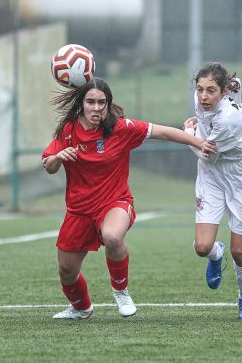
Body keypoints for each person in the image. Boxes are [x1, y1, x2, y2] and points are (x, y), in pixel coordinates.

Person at [42, 78, 215, 320]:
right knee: (67, 271)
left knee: (112, 236)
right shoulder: (68, 131)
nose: (97, 108)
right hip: (79, 210)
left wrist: (199, 141)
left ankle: (121, 291)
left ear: (108, 104)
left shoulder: (121, 128)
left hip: (116, 202)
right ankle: (81, 308)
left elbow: (164, 132)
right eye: (91, 102)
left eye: (102, 102)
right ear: (81, 104)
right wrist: (58, 157)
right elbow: (49, 166)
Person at [183, 62, 242, 320]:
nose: (204, 97)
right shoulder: (219, 95)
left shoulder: (230, 121)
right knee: (202, 246)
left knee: (239, 251)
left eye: (211, 91)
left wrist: (187, 132)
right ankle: (216, 254)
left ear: (222, 91)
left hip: (241, 175)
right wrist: (241, 105)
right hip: (212, 176)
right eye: (200, 89)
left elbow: (203, 151)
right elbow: (233, 95)